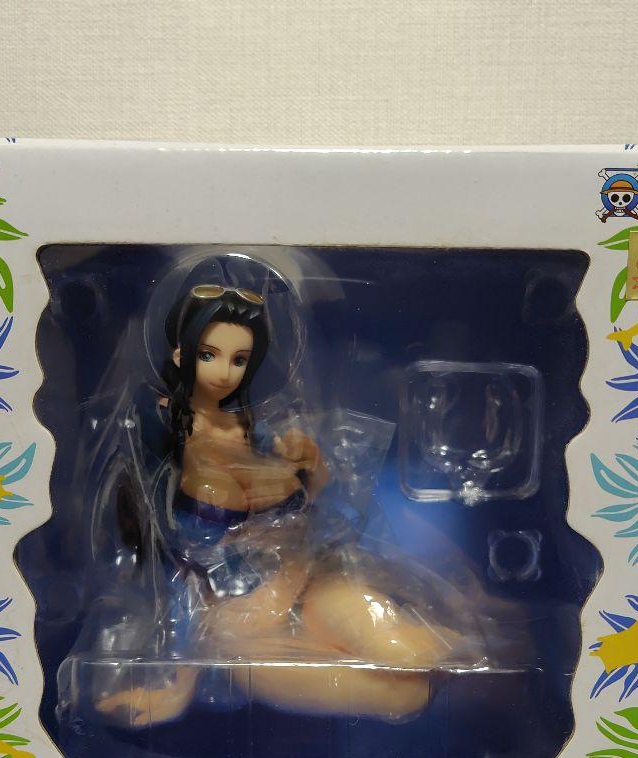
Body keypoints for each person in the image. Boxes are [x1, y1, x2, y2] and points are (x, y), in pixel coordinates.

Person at [96, 275, 488, 728]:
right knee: (404, 696)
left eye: (239, 360)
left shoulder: (258, 431)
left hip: (307, 583)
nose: (224, 372)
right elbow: (174, 572)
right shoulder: (164, 443)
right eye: (209, 355)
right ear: (181, 355)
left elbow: (322, 510)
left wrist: (311, 472)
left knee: (415, 653)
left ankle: (486, 667)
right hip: (241, 630)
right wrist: (178, 684)